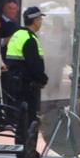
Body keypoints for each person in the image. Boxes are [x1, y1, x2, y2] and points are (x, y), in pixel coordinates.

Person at [3, 10, 47, 144]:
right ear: (35, 21)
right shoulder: (29, 38)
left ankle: (21, 152)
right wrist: (42, 79)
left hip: (15, 83)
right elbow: (33, 63)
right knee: (29, 122)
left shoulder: (17, 35)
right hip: (27, 85)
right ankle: (27, 155)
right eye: (40, 19)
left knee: (21, 121)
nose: (41, 22)